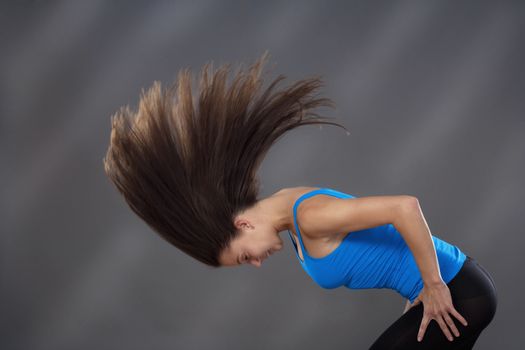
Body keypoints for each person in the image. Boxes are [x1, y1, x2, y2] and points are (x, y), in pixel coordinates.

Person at [103, 51, 497, 349]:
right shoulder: (290, 215)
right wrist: (419, 291)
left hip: (461, 292)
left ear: (242, 224)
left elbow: (404, 207)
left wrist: (433, 285)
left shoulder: (308, 216)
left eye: (245, 256)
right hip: (459, 291)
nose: (256, 263)